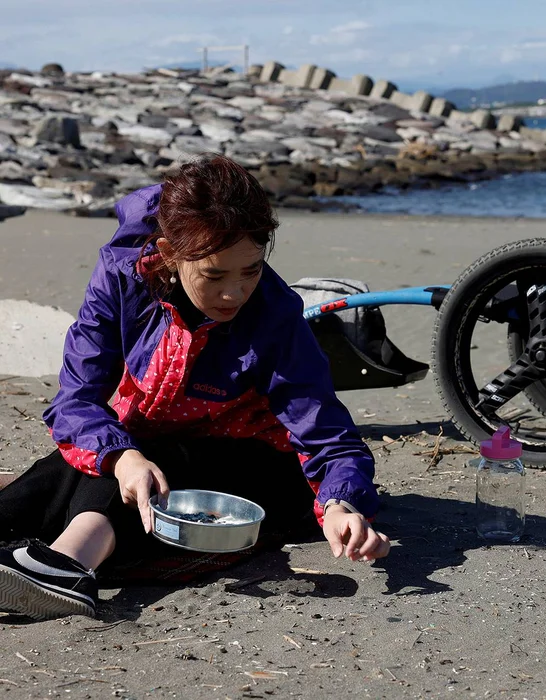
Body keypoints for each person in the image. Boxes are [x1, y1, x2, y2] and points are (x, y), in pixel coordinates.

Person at [0, 154, 390, 621]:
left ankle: (67, 565)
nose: (235, 293)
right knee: (104, 456)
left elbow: (328, 435)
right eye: (214, 275)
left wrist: (341, 504)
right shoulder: (123, 279)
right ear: (168, 254)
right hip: (151, 446)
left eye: (251, 270)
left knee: (147, 467)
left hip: (257, 471)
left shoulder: (274, 315)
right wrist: (124, 458)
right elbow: (76, 399)